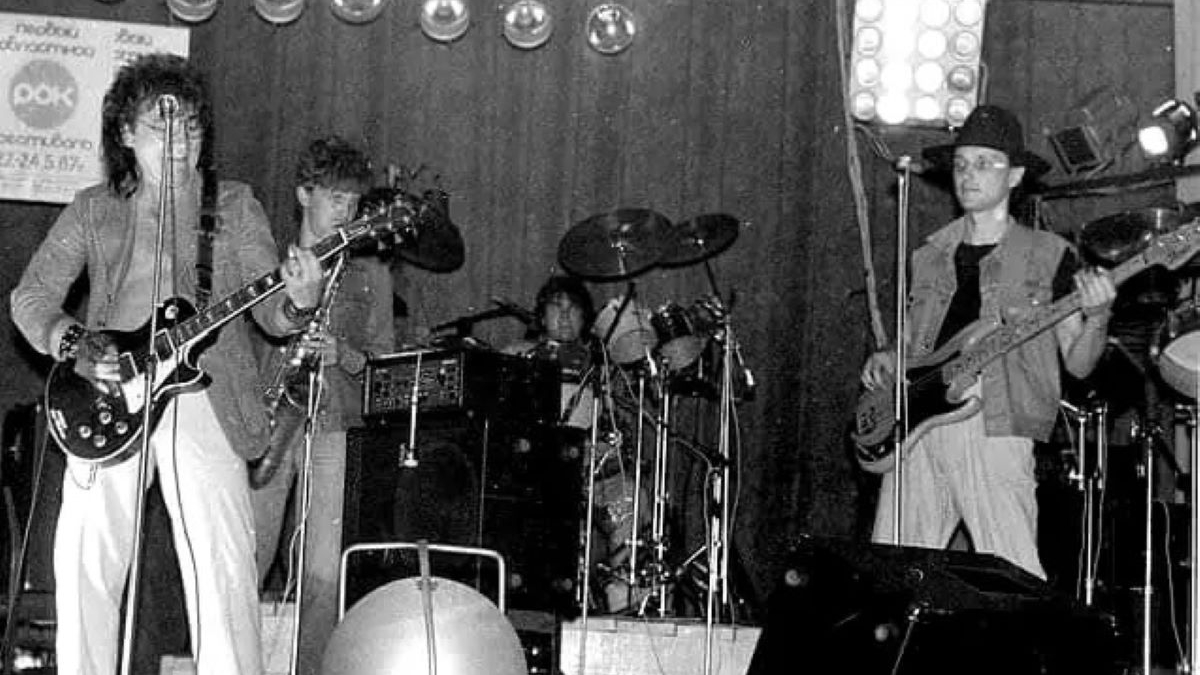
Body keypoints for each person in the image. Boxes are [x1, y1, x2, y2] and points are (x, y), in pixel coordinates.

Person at [9, 53, 325, 675]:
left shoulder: (232, 205)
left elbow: (272, 312)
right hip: (108, 393)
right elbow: (32, 297)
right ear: (126, 134)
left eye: (193, 129)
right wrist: (75, 344)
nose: (181, 143)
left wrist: (299, 302)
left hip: (203, 391)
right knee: (84, 560)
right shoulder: (93, 207)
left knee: (222, 564)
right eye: (162, 129)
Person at [858, 104, 1117, 578]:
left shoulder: (1048, 255)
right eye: (961, 164)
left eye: (984, 163)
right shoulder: (928, 254)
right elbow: (915, 345)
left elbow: (1078, 364)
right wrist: (890, 357)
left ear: (1015, 176)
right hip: (915, 427)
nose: (968, 174)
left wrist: (1098, 317)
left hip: (996, 424)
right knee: (893, 577)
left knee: (1011, 574)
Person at [249, 136, 394, 675]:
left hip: (333, 428)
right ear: (303, 194)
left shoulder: (372, 275)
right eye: (336, 198)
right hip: (267, 424)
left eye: (354, 202)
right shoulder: (263, 259)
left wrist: (345, 354)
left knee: (325, 576)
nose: (347, 212)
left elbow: (385, 364)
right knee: (247, 560)